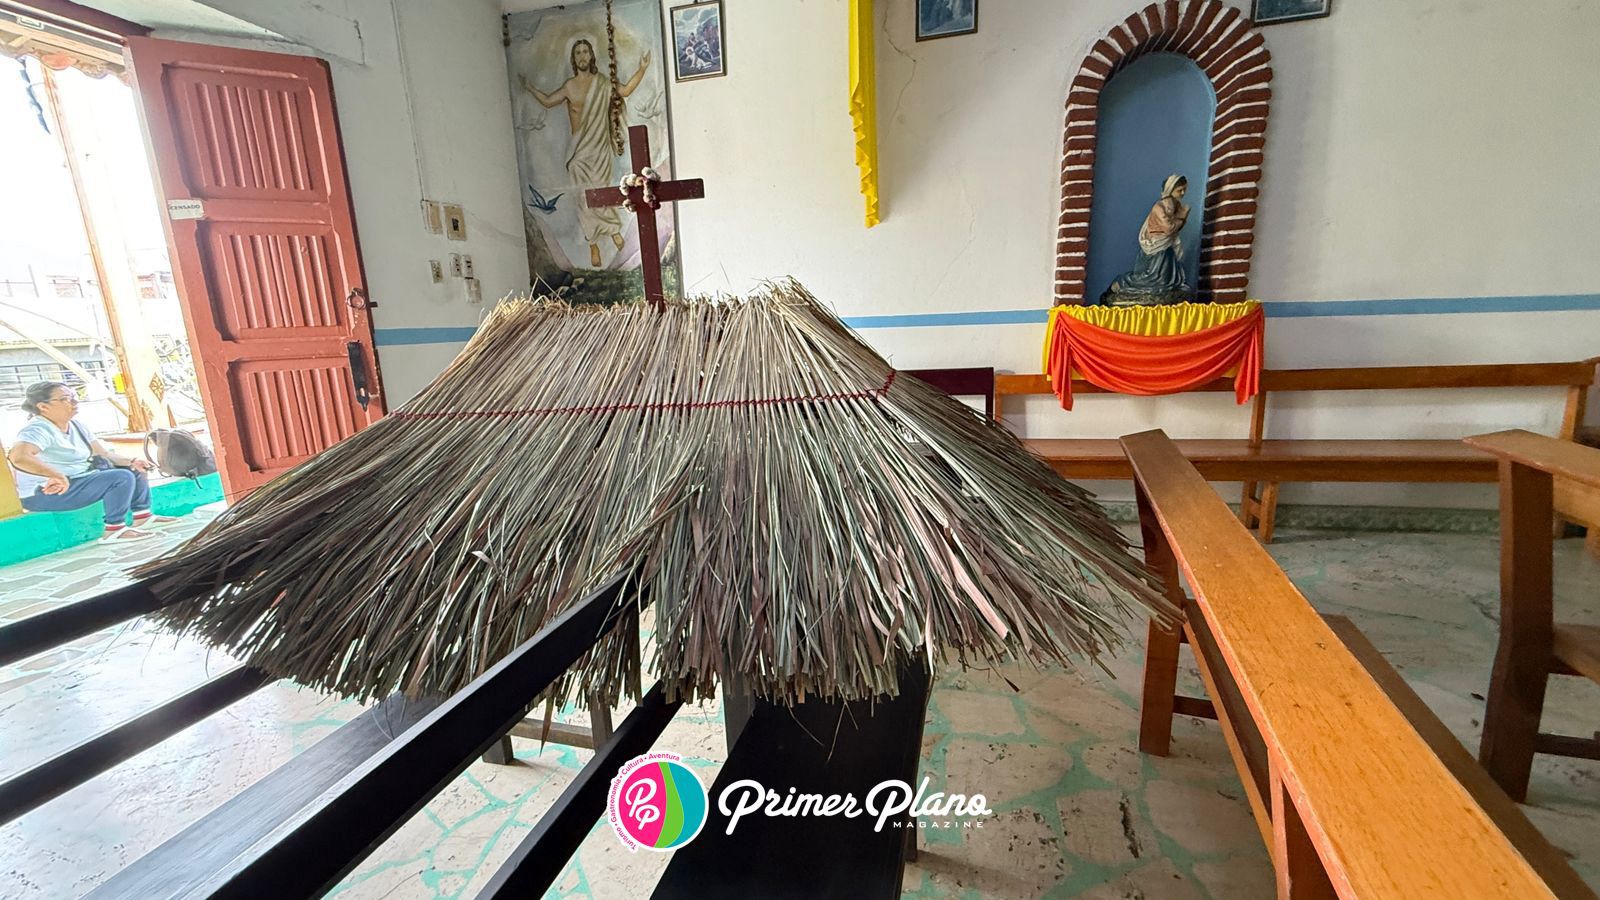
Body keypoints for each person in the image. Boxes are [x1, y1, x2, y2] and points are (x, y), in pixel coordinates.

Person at [520, 39, 651, 268]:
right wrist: (529, 88)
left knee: (603, 191)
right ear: (574, 58)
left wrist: (642, 68)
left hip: (600, 148)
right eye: (578, 52)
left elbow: (626, 91)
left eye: (585, 52)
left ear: (591, 56)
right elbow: (550, 101)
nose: (582, 56)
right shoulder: (570, 86)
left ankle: (612, 231)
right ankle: (592, 243)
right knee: (584, 197)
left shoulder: (603, 82)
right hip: (579, 152)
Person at [7, 382, 177, 542]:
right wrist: (56, 475)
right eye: (65, 399)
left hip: (78, 479)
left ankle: (142, 517)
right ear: (43, 407)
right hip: (45, 492)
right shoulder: (38, 429)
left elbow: (102, 453)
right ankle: (113, 530)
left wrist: (132, 460)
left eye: (73, 395)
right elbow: (19, 457)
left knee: (134, 469)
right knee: (121, 477)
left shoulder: (76, 425)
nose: (74, 401)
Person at [1100, 174, 1196, 307]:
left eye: (1184, 189)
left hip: (1166, 248)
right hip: (1155, 249)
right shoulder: (1159, 207)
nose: (1183, 193)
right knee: (1150, 279)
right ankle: (1120, 283)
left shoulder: (1176, 206)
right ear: (1170, 189)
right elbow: (1169, 228)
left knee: (1168, 282)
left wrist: (1181, 217)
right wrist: (1182, 216)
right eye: (1179, 190)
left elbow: (1175, 230)